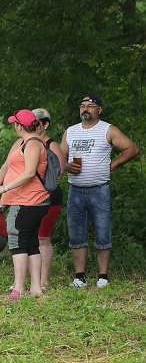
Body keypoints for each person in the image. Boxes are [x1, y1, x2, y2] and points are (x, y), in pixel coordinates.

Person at [60, 94, 140, 289]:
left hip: (99, 190)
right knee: (76, 235)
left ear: (100, 110)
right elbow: (60, 157)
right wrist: (67, 166)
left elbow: (132, 149)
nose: (85, 109)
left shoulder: (108, 129)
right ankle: (80, 278)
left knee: (103, 233)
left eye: (90, 106)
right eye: (82, 106)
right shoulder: (70, 131)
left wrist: (113, 164)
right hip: (75, 191)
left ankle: (103, 278)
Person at [0, 110, 50, 299]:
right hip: (30, 201)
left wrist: (4, 188)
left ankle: (19, 289)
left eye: (15, 123)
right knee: (31, 243)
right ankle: (36, 289)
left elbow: (30, 172)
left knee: (18, 243)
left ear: (19, 126)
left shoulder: (32, 144)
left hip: (27, 201)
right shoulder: (28, 142)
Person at [31, 108, 67, 289]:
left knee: (42, 238)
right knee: (29, 238)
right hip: (28, 197)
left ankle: (43, 281)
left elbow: (59, 173)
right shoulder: (25, 142)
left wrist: (43, 189)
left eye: (36, 122)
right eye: (30, 122)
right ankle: (31, 280)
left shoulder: (51, 145)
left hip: (48, 197)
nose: (32, 125)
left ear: (45, 124)